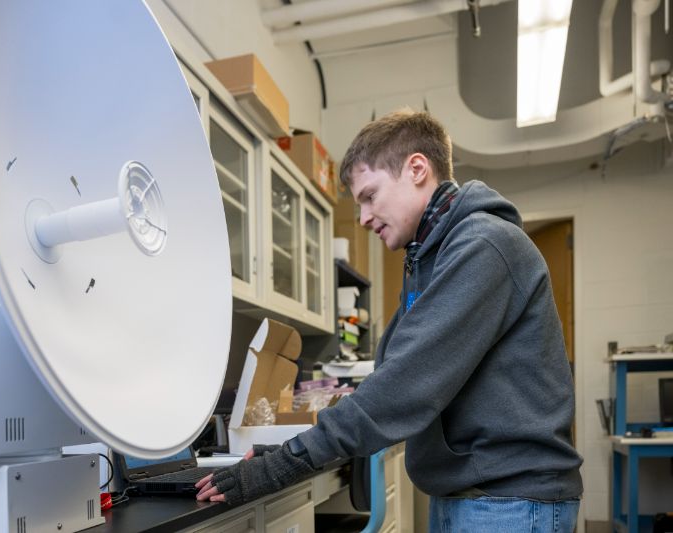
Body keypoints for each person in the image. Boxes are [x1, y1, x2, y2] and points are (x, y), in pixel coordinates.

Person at [196, 110, 582, 531]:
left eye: (369, 195)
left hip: (507, 500)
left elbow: (407, 382)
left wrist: (283, 464)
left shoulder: (483, 245)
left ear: (417, 169)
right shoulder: (429, 254)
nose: (362, 217)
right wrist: (293, 449)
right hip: (472, 493)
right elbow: (394, 364)